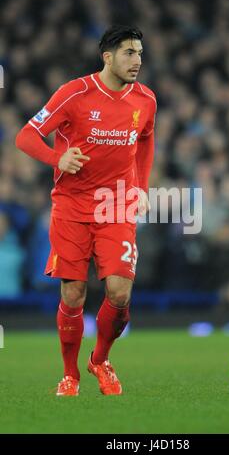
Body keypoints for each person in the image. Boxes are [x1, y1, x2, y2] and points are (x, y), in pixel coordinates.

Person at [16, 25, 157, 396]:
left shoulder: (145, 99)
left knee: (120, 293)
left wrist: (141, 188)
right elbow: (25, 136)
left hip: (117, 205)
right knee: (73, 295)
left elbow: (145, 140)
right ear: (107, 56)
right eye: (129, 53)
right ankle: (70, 375)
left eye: (140, 53)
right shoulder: (74, 93)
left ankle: (100, 360)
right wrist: (56, 157)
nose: (137, 60)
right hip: (72, 206)